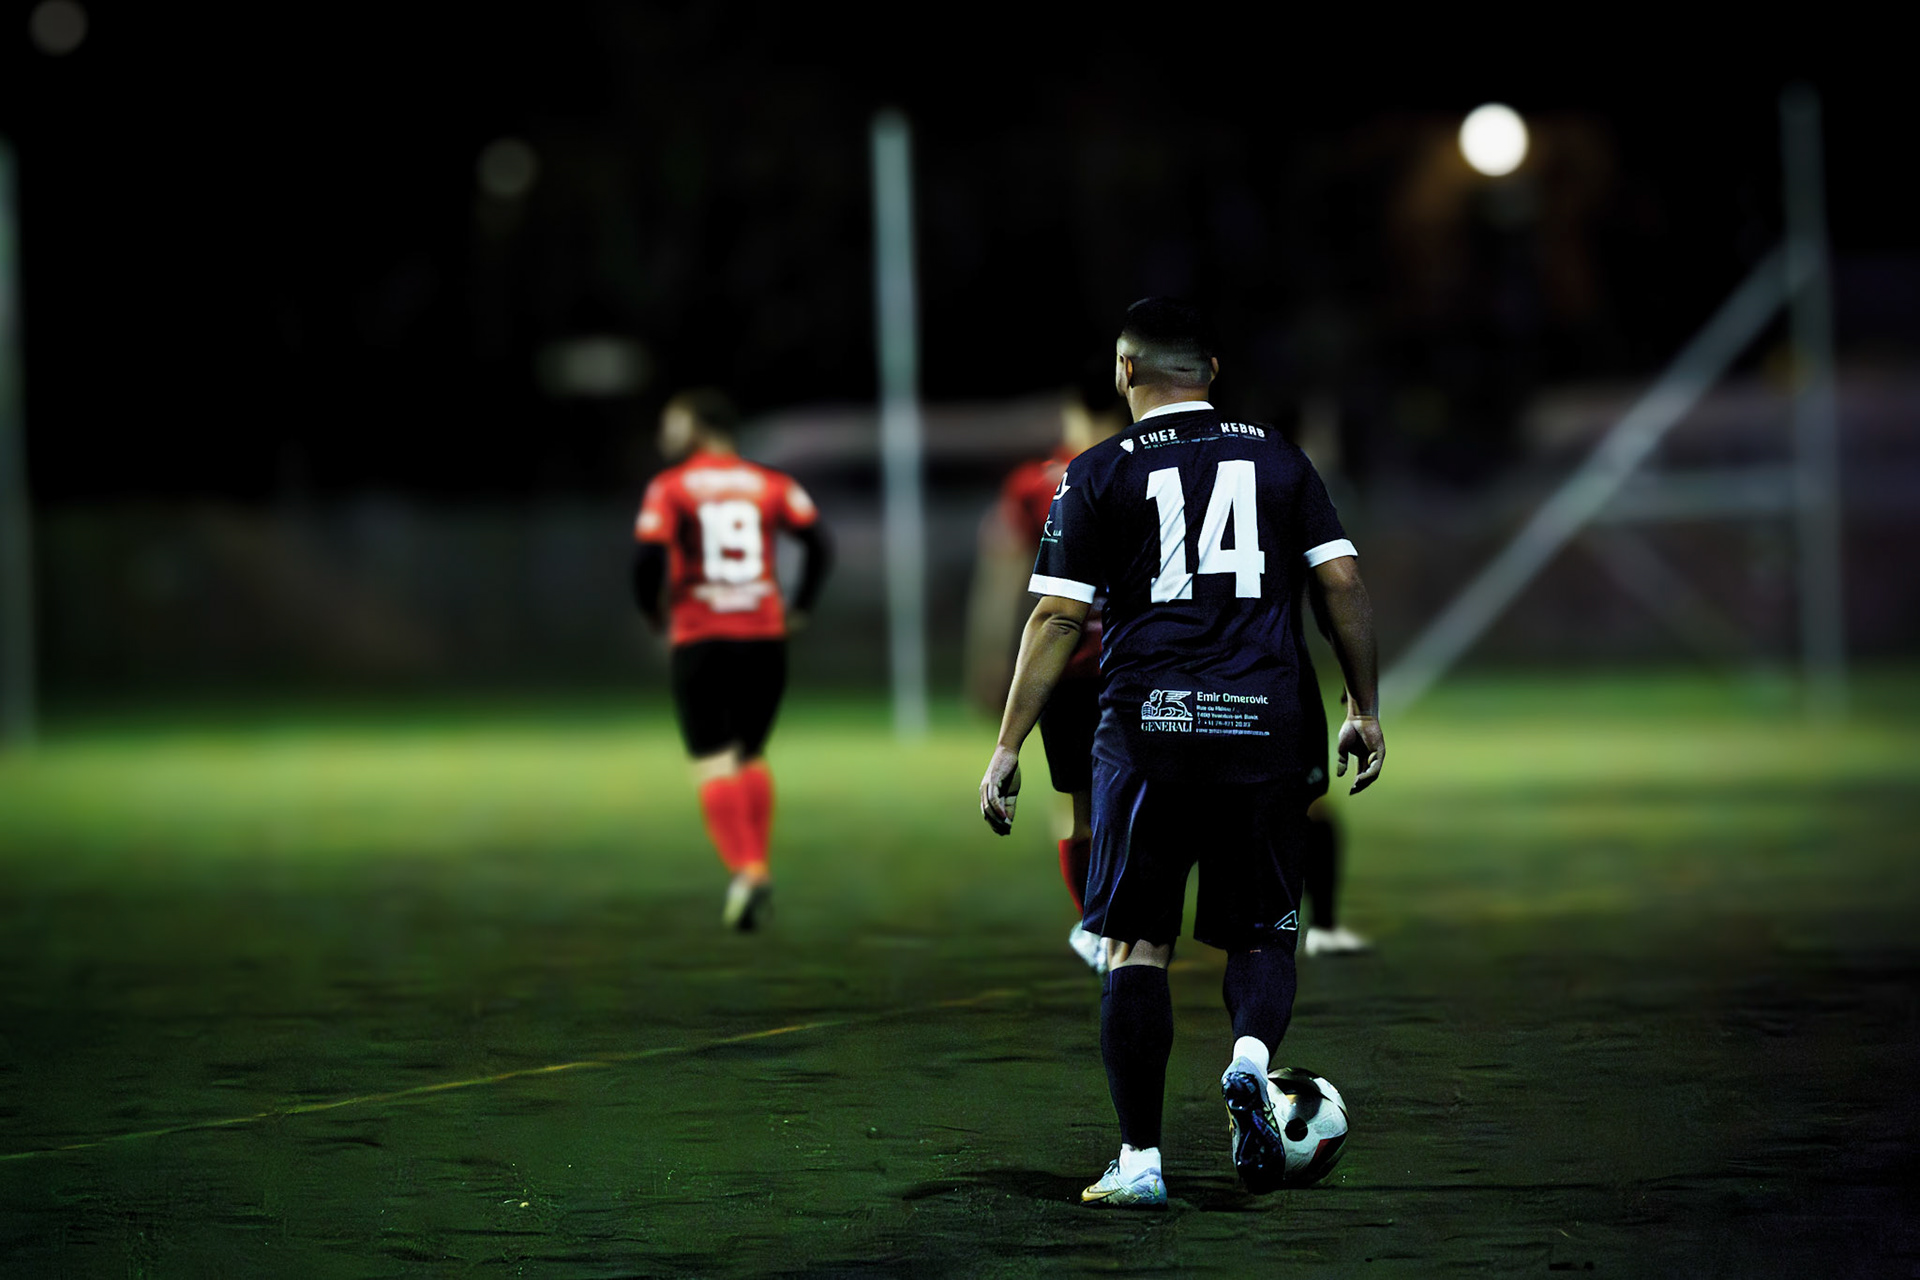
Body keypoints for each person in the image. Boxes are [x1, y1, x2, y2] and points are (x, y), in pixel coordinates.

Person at [978, 299, 1384, 1207]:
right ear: (1211, 368)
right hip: (1266, 725)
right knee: (1267, 926)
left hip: (1148, 729)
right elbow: (1343, 580)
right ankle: (1249, 1060)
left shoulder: (1097, 472)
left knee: (1135, 946)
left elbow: (1056, 617)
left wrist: (1007, 747)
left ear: (1126, 372)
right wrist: (1364, 704)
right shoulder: (1278, 456)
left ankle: (1140, 1162)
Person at [632, 389, 832, 931]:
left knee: (712, 759)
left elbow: (648, 557)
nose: (665, 434)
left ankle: (749, 870)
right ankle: (755, 869)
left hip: (702, 634)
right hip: (763, 634)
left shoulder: (671, 487)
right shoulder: (771, 484)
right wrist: (801, 609)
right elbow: (818, 543)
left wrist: (654, 615)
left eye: (673, 423)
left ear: (697, 426)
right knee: (750, 752)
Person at [963, 367, 1126, 972]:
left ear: (1069, 413)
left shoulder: (1034, 485)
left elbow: (1009, 584)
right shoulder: (1151, 466)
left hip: (1070, 665)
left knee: (1080, 810)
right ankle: (1124, 925)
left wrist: (993, 661)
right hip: (1146, 662)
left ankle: (1097, 926)